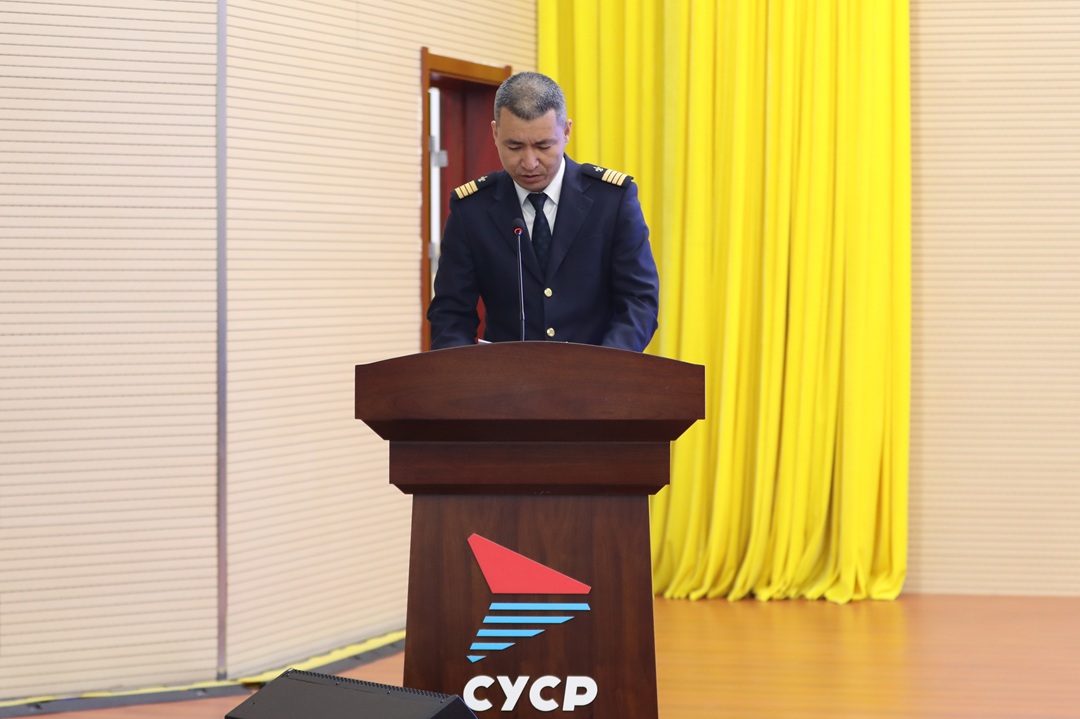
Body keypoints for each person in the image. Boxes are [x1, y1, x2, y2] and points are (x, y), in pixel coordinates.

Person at [427, 71, 659, 352]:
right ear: (495, 133)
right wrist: (462, 373)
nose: (529, 162)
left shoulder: (611, 200)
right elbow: (450, 314)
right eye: (514, 146)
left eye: (543, 146)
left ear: (567, 131)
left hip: (599, 373)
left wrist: (605, 368)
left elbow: (639, 301)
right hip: (506, 377)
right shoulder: (472, 210)